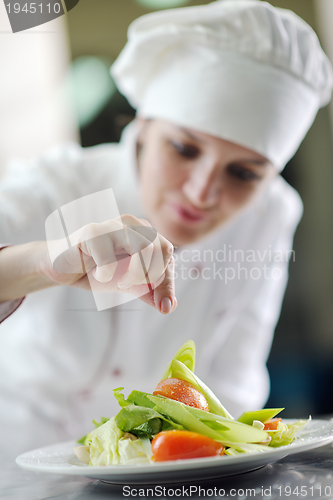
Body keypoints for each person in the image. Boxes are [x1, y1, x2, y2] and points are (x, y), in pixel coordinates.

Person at [0, 0, 332, 457]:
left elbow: (233, 386)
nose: (201, 192)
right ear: (141, 125)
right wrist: (46, 263)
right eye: (183, 148)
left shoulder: (270, 213)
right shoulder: (57, 184)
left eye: (243, 174)